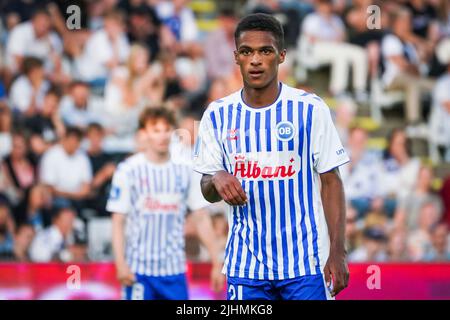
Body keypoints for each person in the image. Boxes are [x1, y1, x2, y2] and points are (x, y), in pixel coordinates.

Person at [194, 13, 350, 300]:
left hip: (305, 264)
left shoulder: (310, 109)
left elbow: (331, 181)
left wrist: (338, 252)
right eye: (246, 51)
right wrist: (217, 177)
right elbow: (207, 190)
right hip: (246, 266)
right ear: (236, 57)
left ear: (281, 56)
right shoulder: (217, 115)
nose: (255, 59)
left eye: (265, 50)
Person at [107, 107, 224, 300]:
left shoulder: (186, 170)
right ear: (143, 134)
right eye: (155, 130)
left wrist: (216, 263)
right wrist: (120, 264)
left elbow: (201, 218)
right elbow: (118, 221)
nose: (162, 136)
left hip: (174, 271)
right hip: (138, 272)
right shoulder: (128, 170)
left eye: (166, 129)